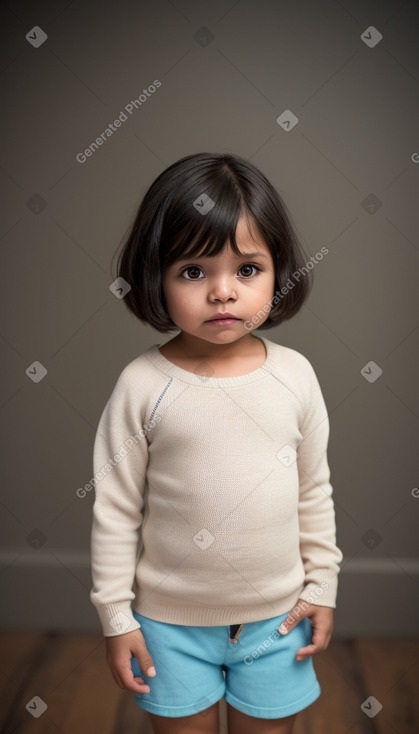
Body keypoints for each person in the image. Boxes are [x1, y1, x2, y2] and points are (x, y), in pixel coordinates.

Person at [90, 152, 343, 734]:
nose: (223, 292)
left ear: (279, 270)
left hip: (278, 622)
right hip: (166, 628)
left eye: (247, 269)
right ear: (156, 275)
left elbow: (314, 490)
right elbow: (116, 509)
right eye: (194, 271)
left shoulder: (295, 376)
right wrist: (115, 616)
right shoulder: (142, 385)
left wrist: (322, 584)